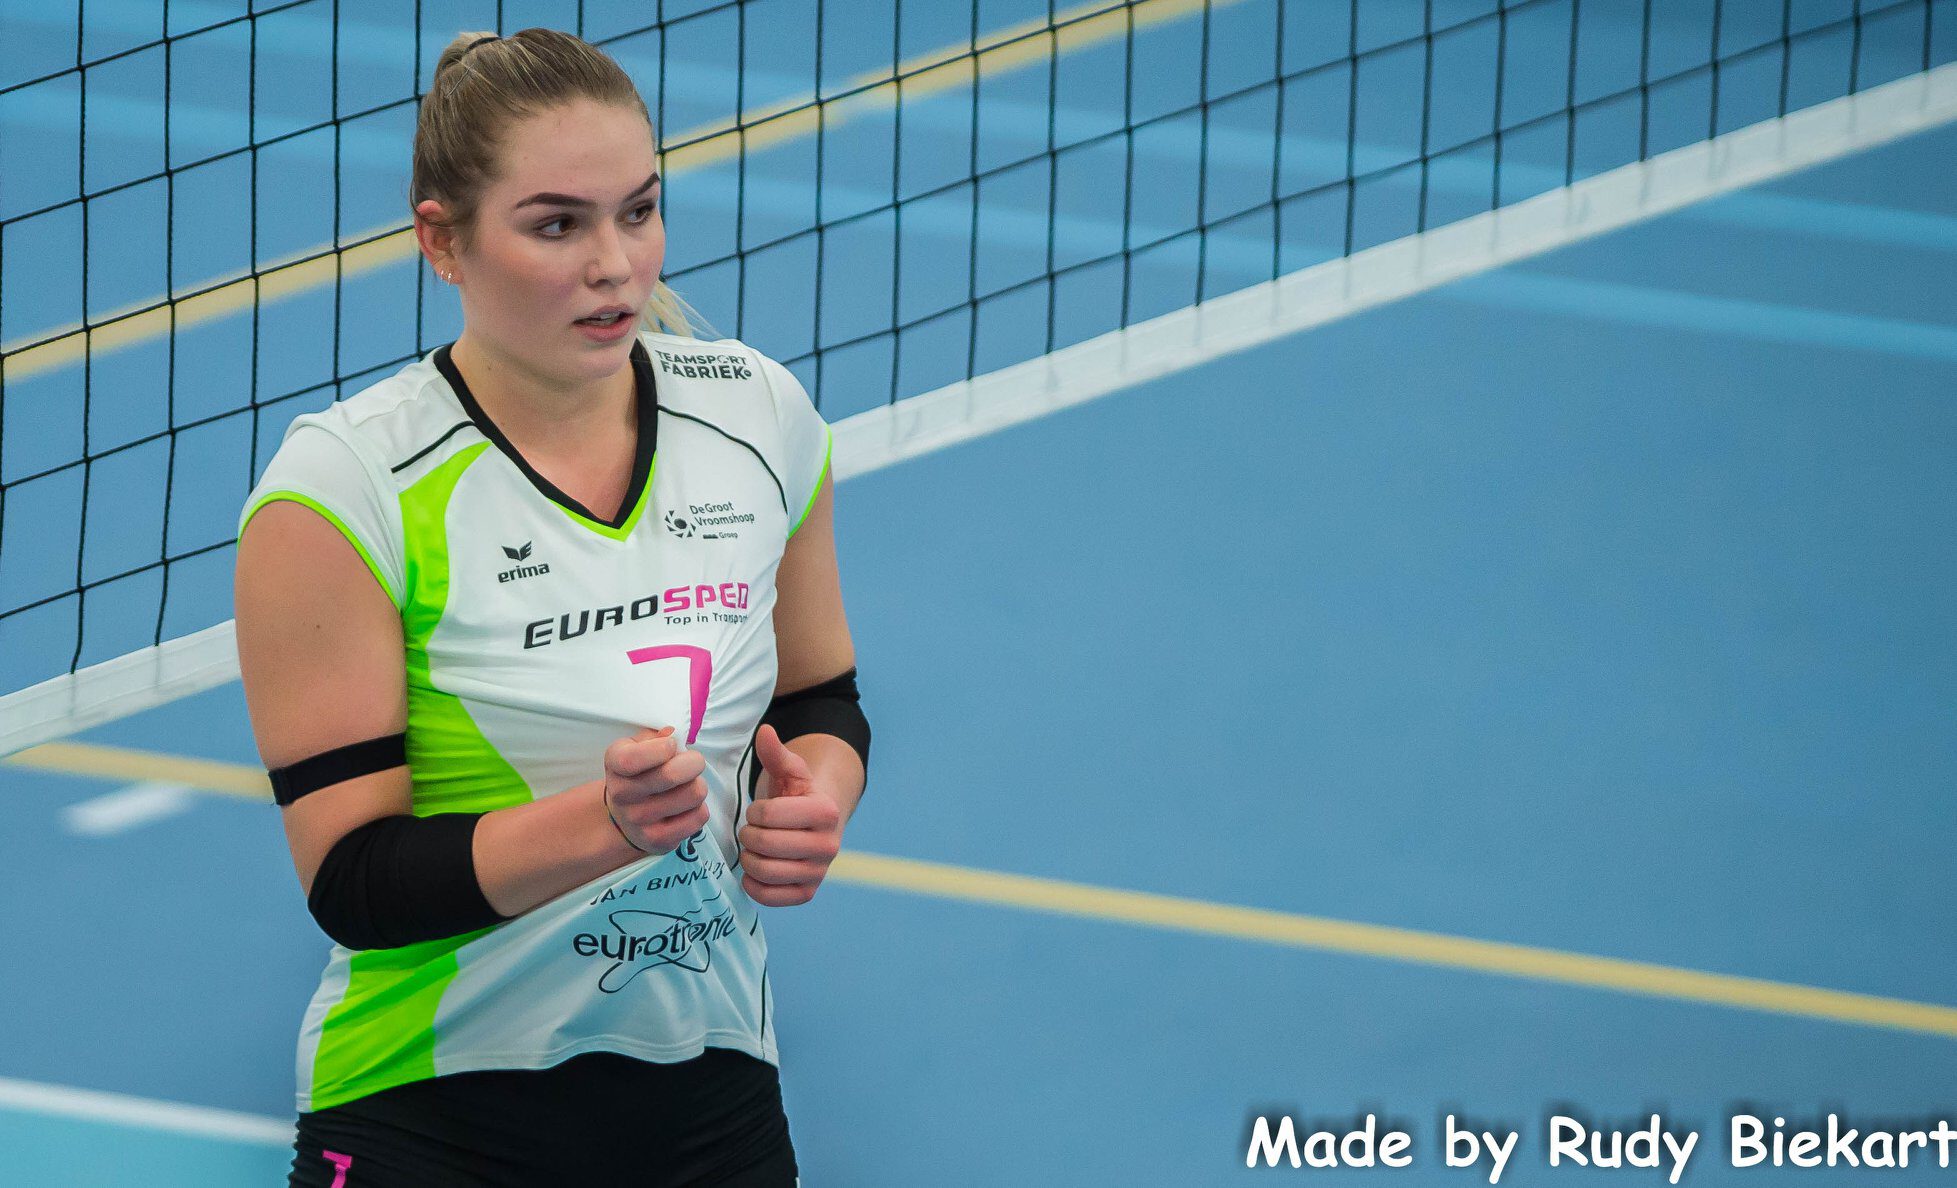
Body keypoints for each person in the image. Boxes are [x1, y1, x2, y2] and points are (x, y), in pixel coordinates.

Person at [233, 28, 870, 1187]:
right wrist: (605, 825)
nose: (615, 265)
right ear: (442, 240)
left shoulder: (759, 418)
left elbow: (821, 695)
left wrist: (816, 796)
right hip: (431, 1113)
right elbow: (355, 880)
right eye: (557, 225)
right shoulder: (344, 487)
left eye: (639, 211)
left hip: (713, 1097)